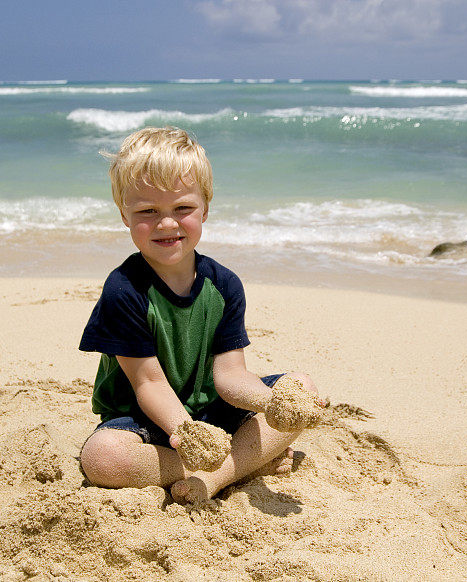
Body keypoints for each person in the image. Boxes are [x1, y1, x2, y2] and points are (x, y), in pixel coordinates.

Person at [78, 127, 322, 503]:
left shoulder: (224, 285)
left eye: (182, 208)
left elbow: (230, 376)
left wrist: (269, 403)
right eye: (147, 211)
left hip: (212, 411)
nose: (167, 223)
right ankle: (241, 463)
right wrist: (185, 433)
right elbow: (149, 385)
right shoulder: (123, 290)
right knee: (102, 457)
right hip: (150, 422)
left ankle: (216, 476)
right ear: (124, 214)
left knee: (300, 387)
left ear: (205, 207)